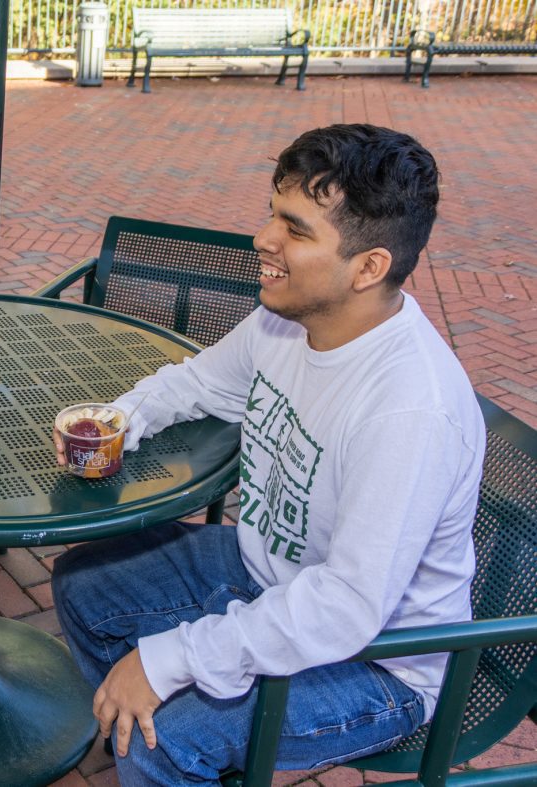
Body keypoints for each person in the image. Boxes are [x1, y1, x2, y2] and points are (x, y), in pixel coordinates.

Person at [51, 124, 485, 785]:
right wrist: (118, 419)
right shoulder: (288, 316)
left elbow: (344, 607)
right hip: (270, 571)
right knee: (85, 585)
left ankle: (155, 746)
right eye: (273, 213)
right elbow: (199, 382)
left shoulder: (410, 411)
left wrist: (168, 660)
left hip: (377, 661)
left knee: (163, 739)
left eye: (297, 228)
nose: (263, 239)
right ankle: (132, 721)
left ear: (369, 267)